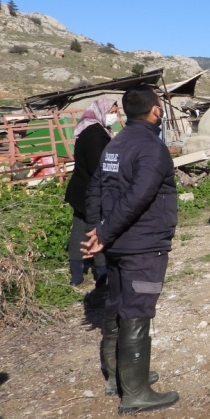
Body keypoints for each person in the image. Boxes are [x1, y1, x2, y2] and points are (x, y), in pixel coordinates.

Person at [82, 86, 179, 415]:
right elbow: (138, 197)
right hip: (143, 245)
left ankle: (119, 376)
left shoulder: (117, 142)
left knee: (117, 303)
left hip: (118, 243)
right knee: (137, 307)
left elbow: (95, 186)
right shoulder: (152, 148)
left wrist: (98, 229)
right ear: (155, 110)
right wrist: (104, 232)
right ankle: (136, 391)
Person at [64, 98, 118, 289]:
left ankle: (77, 274)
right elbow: (99, 167)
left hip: (80, 190)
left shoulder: (90, 130)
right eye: (112, 111)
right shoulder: (96, 135)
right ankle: (102, 273)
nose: (115, 116)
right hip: (92, 191)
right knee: (98, 229)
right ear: (102, 111)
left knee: (80, 229)